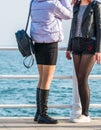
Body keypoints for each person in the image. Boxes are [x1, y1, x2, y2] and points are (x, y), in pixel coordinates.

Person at [30, 0, 72, 124]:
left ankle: (38, 113)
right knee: (46, 80)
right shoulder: (53, 4)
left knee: (42, 78)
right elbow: (69, 15)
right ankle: (43, 114)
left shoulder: (34, 2)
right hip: (50, 44)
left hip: (37, 43)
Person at [66, 0, 101, 123]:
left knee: (82, 77)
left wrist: (99, 50)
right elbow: (72, 27)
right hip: (76, 44)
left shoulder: (96, 5)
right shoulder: (76, 5)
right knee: (79, 78)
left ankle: (85, 114)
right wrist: (69, 47)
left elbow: (100, 28)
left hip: (89, 44)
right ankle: (83, 113)